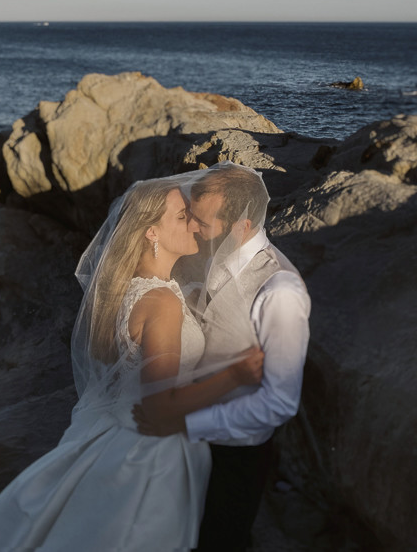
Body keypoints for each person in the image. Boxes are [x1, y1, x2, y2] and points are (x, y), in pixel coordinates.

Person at [0, 175, 265, 551]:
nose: (195, 223)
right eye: (182, 217)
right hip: (149, 457)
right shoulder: (161, 302)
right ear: (151, 233)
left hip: (116, 433)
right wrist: (236, 374)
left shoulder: (131, 288)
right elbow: (160, 405)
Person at [135, 162, 311, 552]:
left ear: (241, 226)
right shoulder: (211, 253)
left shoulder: (280, 291)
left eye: (202, 222)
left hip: (235, 456)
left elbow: (279, 402)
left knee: (221, 540)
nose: (193, 228)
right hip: (182, 441)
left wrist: (188, 424)